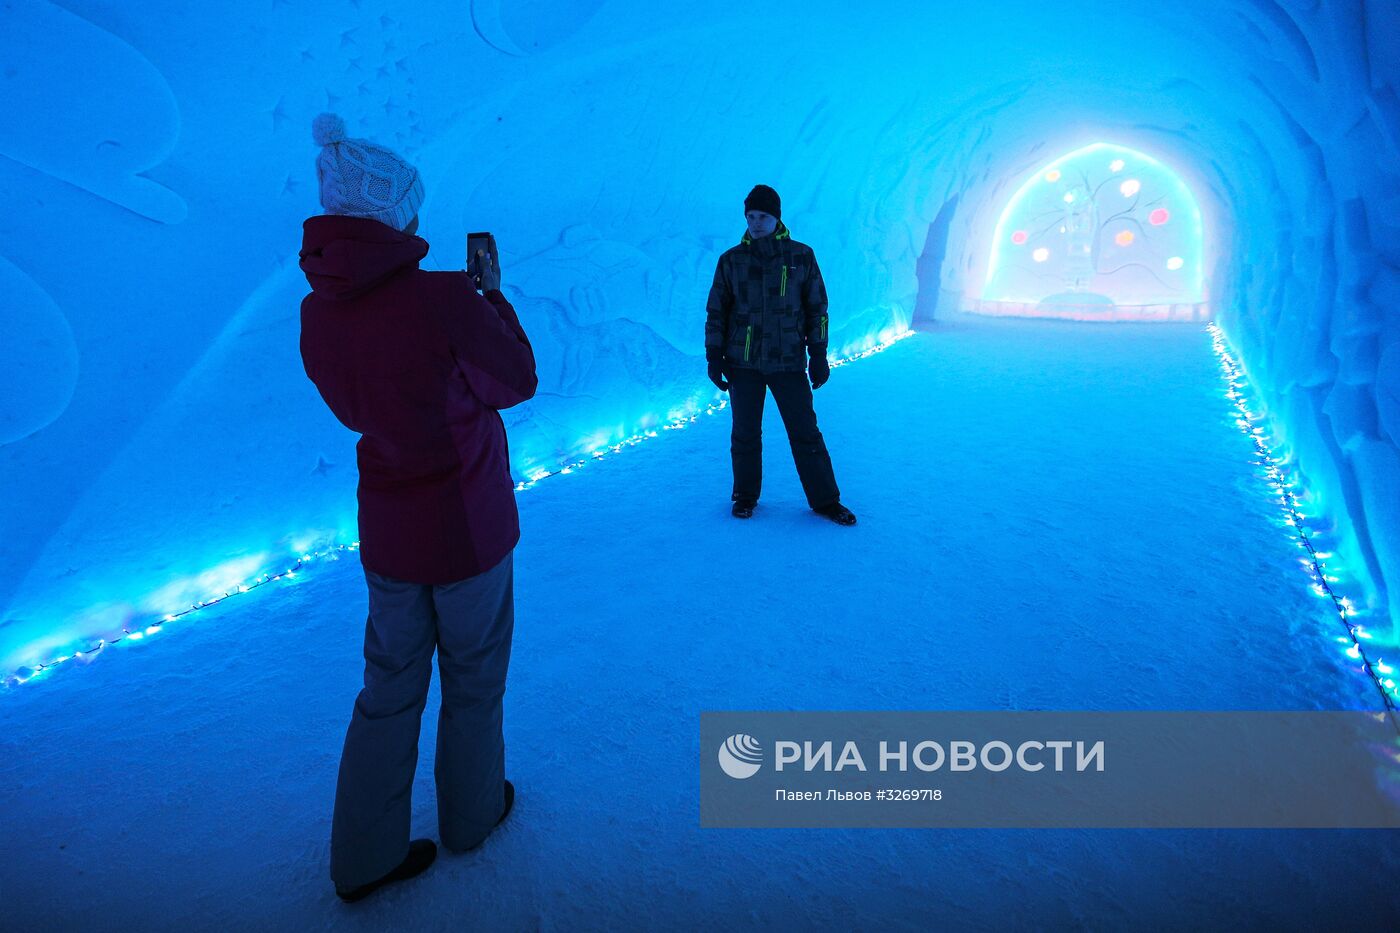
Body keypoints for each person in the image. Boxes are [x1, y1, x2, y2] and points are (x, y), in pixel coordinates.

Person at [298, 113, 538, 903]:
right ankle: (472, 815)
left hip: (390, 534)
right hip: (468, 529)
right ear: (389, 213)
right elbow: (515, 381)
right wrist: (492, 302)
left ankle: (363, 856)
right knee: (474, 677)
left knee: (388, 687)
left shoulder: (318, 311)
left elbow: (355, 404)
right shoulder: (442, 298)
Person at [704, 185, 857, 525]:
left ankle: (826, 501)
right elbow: (717, 311)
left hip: (788, 362)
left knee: (805, 433)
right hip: (743, 363)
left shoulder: (801, 256)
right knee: (744, 434)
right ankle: (744, 497)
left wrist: (818, 354)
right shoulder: (731, 261)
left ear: (777, 218)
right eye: (750, 216)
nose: (756, 223)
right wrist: (714, 356)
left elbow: (817, 309)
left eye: (763, 216)